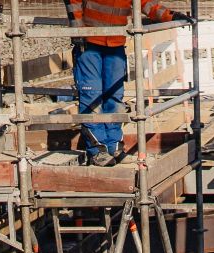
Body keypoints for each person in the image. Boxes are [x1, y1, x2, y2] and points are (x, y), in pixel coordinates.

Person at [64, 0, 185, 165]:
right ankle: (97, 149)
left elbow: (147, 4)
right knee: (92, 95)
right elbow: (74, 3)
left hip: (115, 43)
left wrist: (171, 16)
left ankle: (113, 146)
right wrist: (78, 32)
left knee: (114, 95)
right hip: (89, 43)